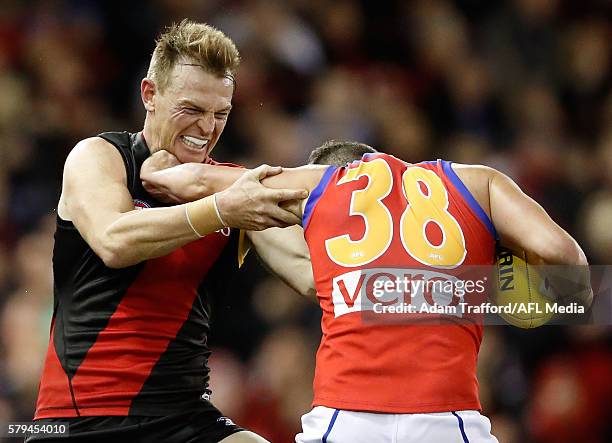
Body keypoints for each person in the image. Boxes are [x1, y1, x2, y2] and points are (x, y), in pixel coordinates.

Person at [141, 140, 592, 442]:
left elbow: (175, 179)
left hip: (342, 420)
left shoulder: (319, 184)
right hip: (448, 420)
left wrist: (158, 161)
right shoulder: (478, 182)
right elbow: (567, 260)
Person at [29, 20, 309, 443]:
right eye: (192, 110)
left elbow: (309, 274)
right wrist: (219, 210)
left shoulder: (234, 187)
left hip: (184, 417)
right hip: (80, 419)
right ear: (150, 94)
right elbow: (114, 240)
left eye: (221, 114)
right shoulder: (99, 157)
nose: (207, 128)